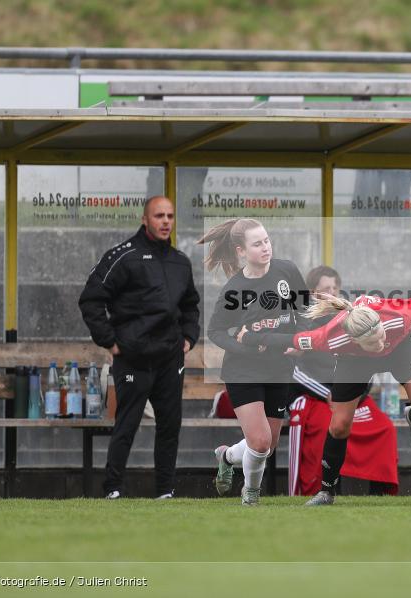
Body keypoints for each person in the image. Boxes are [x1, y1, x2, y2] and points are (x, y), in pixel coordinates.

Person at [238, 282, 411, 506]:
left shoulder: (399, 317)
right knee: (339, 425)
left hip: (401, 348)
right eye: (374, 341)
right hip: (356, 361)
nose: (381, 343)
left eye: (380, 335)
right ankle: (327, 492)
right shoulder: (330, 337)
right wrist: (249, 337)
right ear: (354, 340)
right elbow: (288, 339)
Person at [78, 196, 200, 500]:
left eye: (170, 216)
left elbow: (191, 305)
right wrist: (109, 340)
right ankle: (113, 489)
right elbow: (91, 299)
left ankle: (165, 492)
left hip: (170, 359)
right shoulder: (123, 256)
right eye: (159, 216)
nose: (166, 221)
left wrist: (188, 336)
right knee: (127, 424)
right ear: (145, 219)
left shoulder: (180, 262)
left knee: (170, 426)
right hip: (133, 357)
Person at [201, 218, 308, 506]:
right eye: (257, 244)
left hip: (279, 369)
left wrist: (299, 343)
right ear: (241, 251)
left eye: (267, 241)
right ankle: (251, 496)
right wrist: (244, 347)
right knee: (259, 442)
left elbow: (305, 311)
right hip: (243, 370)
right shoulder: (235, 289)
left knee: (267, 445)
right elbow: (214, 331)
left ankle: (226, 456)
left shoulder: (287, 271)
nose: (265, 248)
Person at [286, 266, 399, 496]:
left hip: (350, 397)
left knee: (384, 428)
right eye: (326, 289)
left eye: (335, 288)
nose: (332, 293)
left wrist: (357, 395)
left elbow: (368, 362)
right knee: (327, 428)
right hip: (317, 397)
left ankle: (382, 495)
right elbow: (293, 370)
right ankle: (319, 491)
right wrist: (326, 393)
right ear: (313, 293)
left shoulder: (350, 318)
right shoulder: (303, 321)